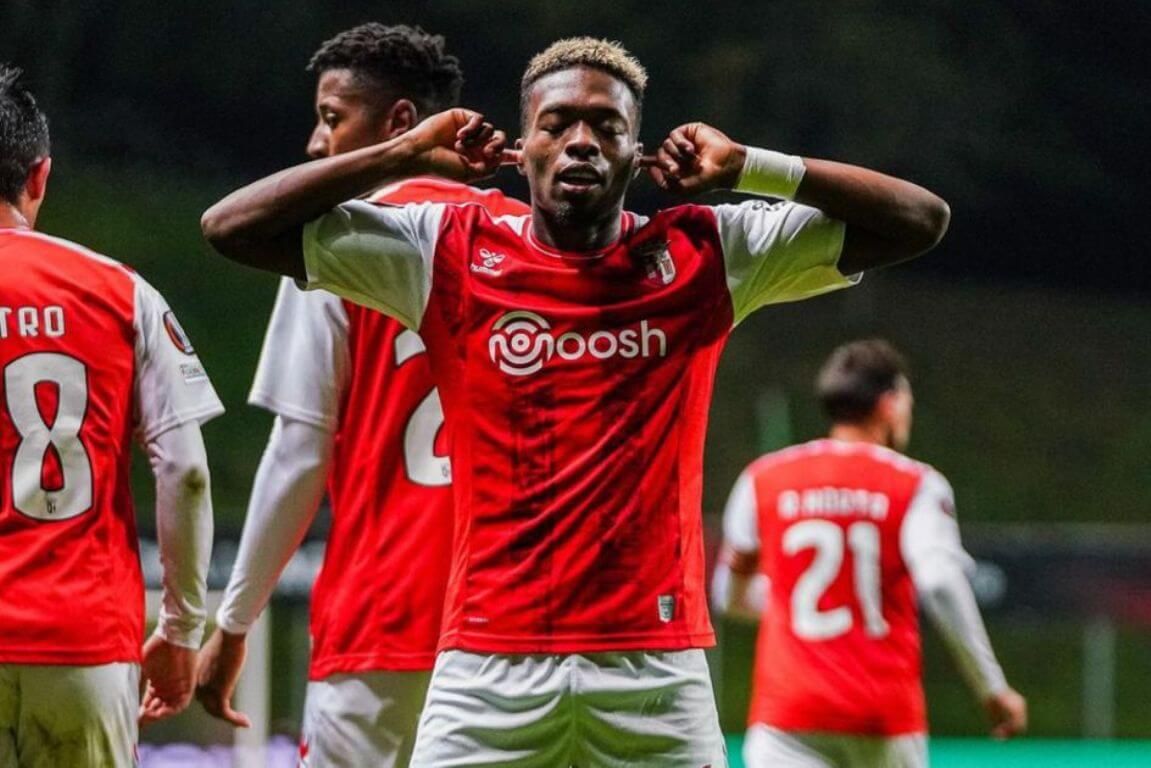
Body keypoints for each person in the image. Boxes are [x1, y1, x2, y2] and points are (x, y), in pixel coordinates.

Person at [202, 36, 949, 767]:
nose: (582, 142)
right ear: (519, 147)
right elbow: (230, 227)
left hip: (653, 672)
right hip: (485, 668)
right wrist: (399, 156)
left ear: (640, 153)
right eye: (557, 125)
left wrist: (751, 166)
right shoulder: (446, 246)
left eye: (607, 127)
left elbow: (918, 220)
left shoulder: (703, 252)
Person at [193, 23, 527, 768]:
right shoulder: (532, 241)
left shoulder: (337, 242)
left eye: (332, 117)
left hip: (385, 613)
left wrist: (236, 620)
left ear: (400, 123)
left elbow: (298, 449)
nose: (316, 143)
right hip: (515, 619)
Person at [0, 64, 221, 766]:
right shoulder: (120, 291)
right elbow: (184, 472)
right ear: (40, 176)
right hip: (82, 642)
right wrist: (183, 629)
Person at [713, 339, 1027, 768]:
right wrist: (992, 688)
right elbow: (938, 582)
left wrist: (797, 607)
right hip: (880, 719)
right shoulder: (916, 484)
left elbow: (727, 594)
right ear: (889, 402)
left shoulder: (763, 478)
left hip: (788, 715)